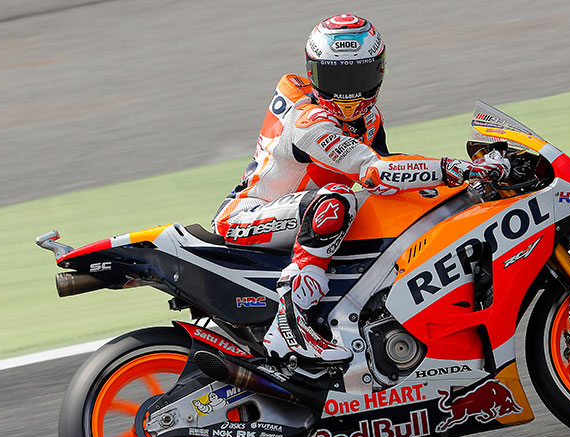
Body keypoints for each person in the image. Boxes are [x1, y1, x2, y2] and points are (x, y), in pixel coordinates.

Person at [212, 13, 510, 368]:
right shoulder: (308, 122)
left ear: (378, 72)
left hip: (300, 216)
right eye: (336, 78)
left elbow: (392, 173)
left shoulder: (368, 120)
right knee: (337, 199)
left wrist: (465, 181)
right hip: (246, 218)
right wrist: (453, 168)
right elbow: (374, 172)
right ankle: (290, 322)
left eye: (358, 76)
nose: (348, 92)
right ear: (312, 73)